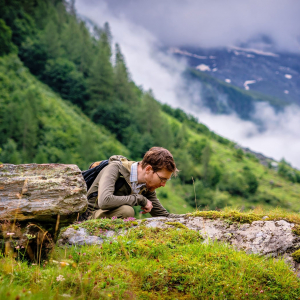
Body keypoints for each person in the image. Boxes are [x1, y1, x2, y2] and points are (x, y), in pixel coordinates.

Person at [84, 147, 180, 219]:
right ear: (148, 169)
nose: (163, 184)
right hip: (90, 215)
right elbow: (104, 201)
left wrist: (190, 218)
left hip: (108, 215)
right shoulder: (115, 168)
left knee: (126, 211)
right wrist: (139, 199)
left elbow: (164, 216)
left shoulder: (146, 185)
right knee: (127, 211)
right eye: (162, 179)